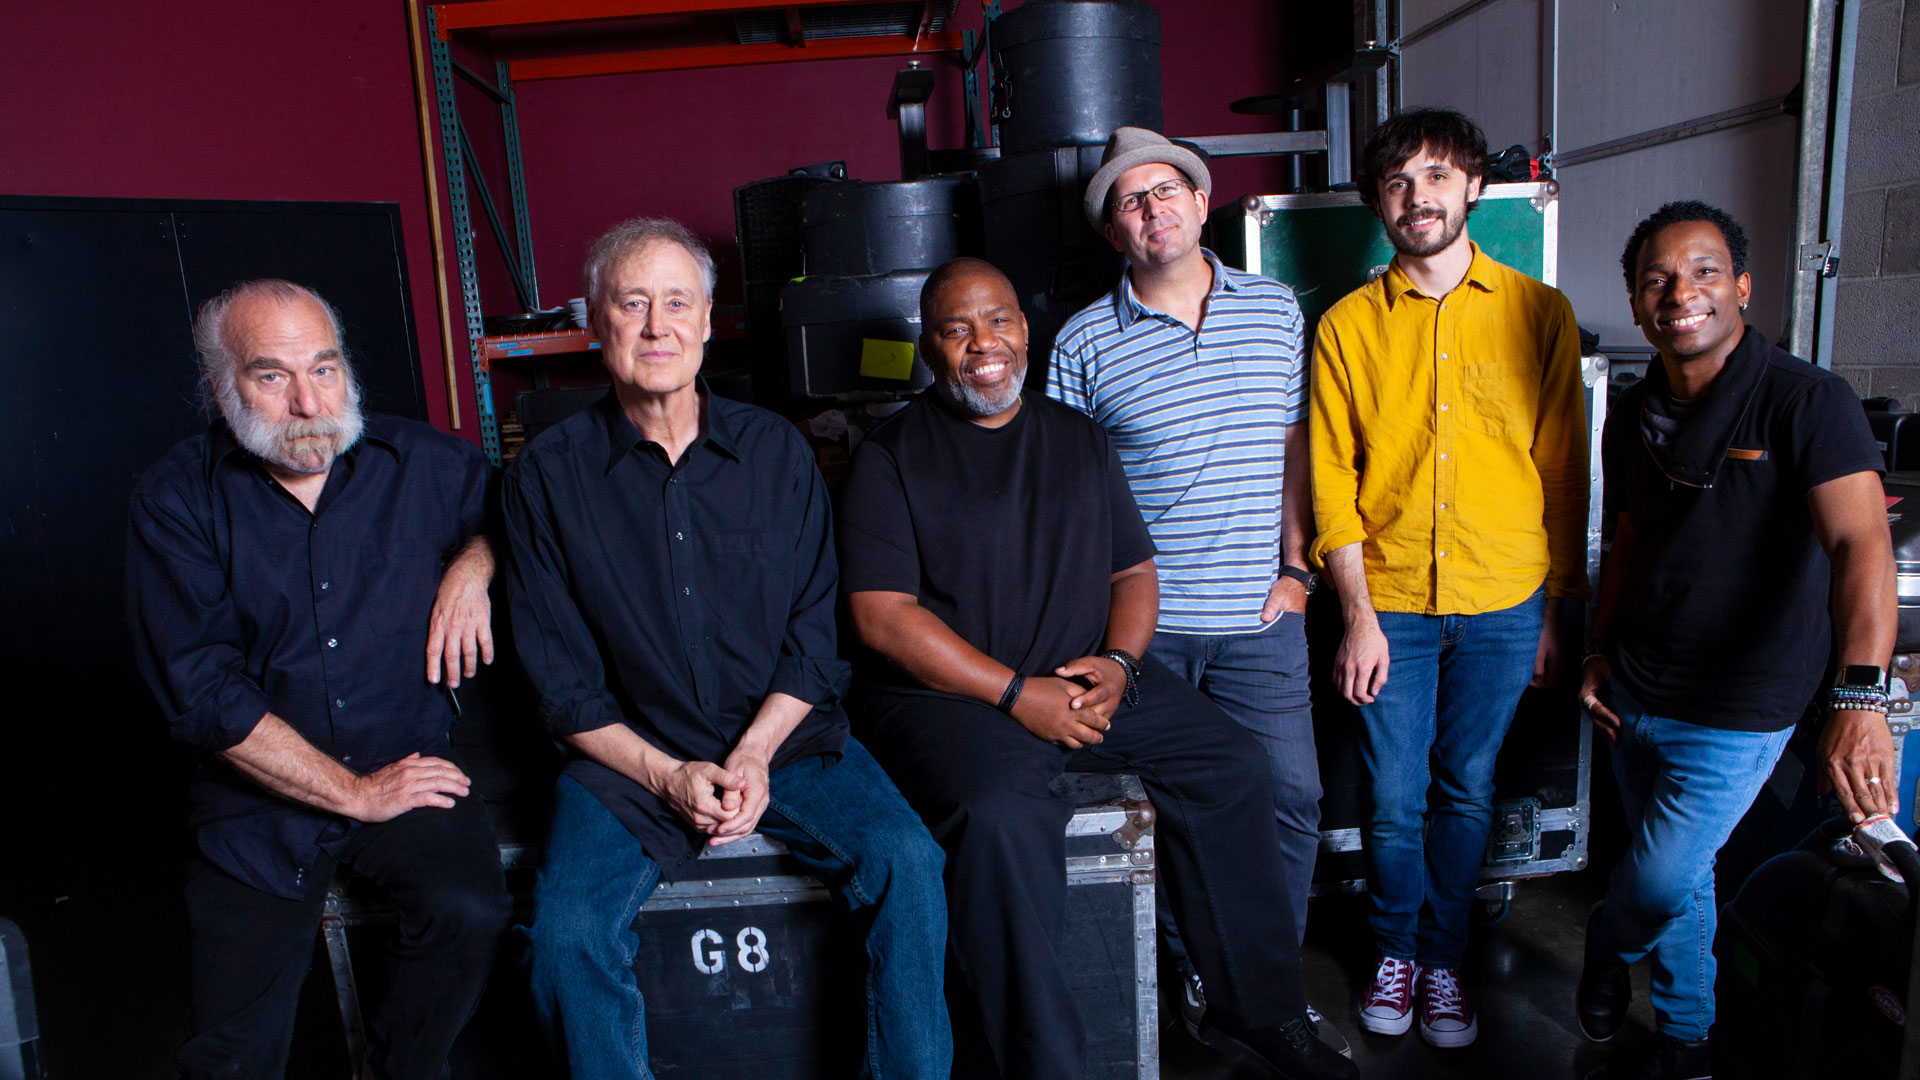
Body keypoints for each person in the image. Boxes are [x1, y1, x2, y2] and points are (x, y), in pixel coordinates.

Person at [838, 256, 1357, 1080]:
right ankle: (1045, 1065)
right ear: (929, 347)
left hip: (1082, 678)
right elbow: (882, 616)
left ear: (1025, 331)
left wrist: (1119, 663)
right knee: (999, 820)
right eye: (957, 329)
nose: (983, 343)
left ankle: (1255, 1009)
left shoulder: (1078, 439)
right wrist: (1016, 694)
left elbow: (1134, 573)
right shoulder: (890, 456)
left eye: (998, 320)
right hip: (954, 699)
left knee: (1230, 765)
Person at [500, 217, 951, 1079]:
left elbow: (814, 640)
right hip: (627, 760)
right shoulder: (547, 477)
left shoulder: (778, 454)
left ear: (708, 320)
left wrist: (753, 753)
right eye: (632, 304)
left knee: (909, 861)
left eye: (678, 303)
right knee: (565, 934)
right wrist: (667, 774)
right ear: (597, 321)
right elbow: (560, 684)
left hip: (787, 743)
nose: (657, 326)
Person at [126, 279, 511, 1080]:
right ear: (222, 387)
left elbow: (517, 517)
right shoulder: (175, 500)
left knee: (469, 912)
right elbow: (204, 696)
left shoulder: (426, 463)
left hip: (407, 761)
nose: (308, 403)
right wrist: (354, 794)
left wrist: (475, 564)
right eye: (272, 376)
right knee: (231, 1052)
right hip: (257, 799)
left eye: (324, 370)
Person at [1574, 201, 1897, 1080]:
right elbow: (1630, 539)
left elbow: (1861, 544)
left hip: (1739, 708)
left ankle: (1606, 944)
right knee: (1684, 877)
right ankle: (1688, 1036)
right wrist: (1599, 650)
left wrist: (1861, 697)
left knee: (1656, 880)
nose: (1681, 293)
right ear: (1636, 304)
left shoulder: (1808, 400)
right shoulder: (1631, 413)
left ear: (1744, 288)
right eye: (1658, 280)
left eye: (1705, 272)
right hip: (1635, 691)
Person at [1050, 126, 1340, 1053]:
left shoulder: (1276, 310)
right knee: (1176, 811)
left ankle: (1270, 989)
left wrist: (1296, 570)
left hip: (1260, 617)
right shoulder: (1082, 341)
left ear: (1202, 202)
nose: (1153, 210)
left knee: (1291, 798)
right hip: (1145, 631)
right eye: (1130, 202)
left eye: (1166, 190)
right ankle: (1199, 973)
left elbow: (1297, 448)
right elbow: (1067, 493)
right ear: (1114, 232)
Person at [1309, 107, 1589, 1048]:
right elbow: (1331, 481)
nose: (1416, 197)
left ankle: (1443, 961)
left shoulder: (1539, 314)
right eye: (1396, 182)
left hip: (1507, 600)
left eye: (1435, 176)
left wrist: (1556, 612)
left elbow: (1563, 471)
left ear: (1472, 186)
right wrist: (1357, 616)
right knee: (1394, 800)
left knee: (1468, 789)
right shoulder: (1346, 328)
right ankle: (1394, 951)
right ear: (1378, 204)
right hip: (1389, 603)